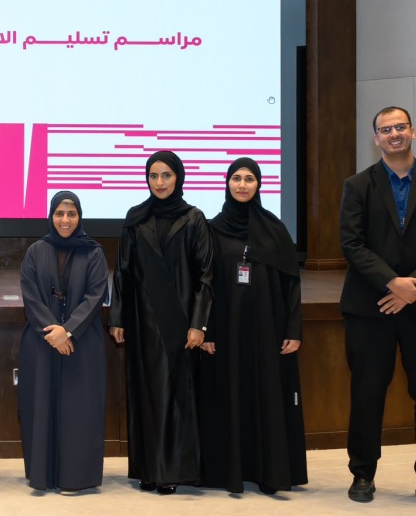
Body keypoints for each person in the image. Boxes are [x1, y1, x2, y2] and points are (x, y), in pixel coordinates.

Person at [340, 106, 416, 511]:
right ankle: (363, 473)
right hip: (371, 306)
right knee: (367, 393)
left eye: (400, 127)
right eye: (385, 129)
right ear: (376, 138)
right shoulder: (357, 186)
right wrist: (393, 283)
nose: (394, 134)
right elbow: (352, 243)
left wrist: (413, 288)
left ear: (413, 131)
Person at [199, 158, 307, 495]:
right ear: (227, 183)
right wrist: (206, 329)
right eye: (236, 178)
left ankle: (268, 472)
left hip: (267, 330)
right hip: (225, 331)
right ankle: (229, 472)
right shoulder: (212, 229)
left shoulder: (274, 229)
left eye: (249, 179)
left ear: (259, 185)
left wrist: (293, 329)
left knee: (266, 395)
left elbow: (292, 284)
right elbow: (203, 283)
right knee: (228, 396)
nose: (242, 185)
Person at [108, 150, 213, 495]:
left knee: (173, 396)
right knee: (146, 397)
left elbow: (205, 276)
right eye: (153, 176)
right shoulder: (135, 218)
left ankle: (171, 471)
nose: (159, 182)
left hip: (180, 325)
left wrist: (199, 324)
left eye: (166, 175)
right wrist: (118, 317)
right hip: (141, 322)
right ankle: (148, 469)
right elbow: (122, 273)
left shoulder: (194, 218)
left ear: (178, 178)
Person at [17, 191, 110, 495]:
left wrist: (68, 331)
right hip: (42, 342)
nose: (65, 220)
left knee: (78, 411)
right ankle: (43, 477)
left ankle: (76, 478)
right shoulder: (35, 251)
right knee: (41, 407)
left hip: (82, 343)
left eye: (71, 214)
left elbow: (96, 296)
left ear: (80, 216)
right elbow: (30, 296)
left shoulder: (94, 252)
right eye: (59, 213)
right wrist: (53, 333)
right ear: (51, 216)